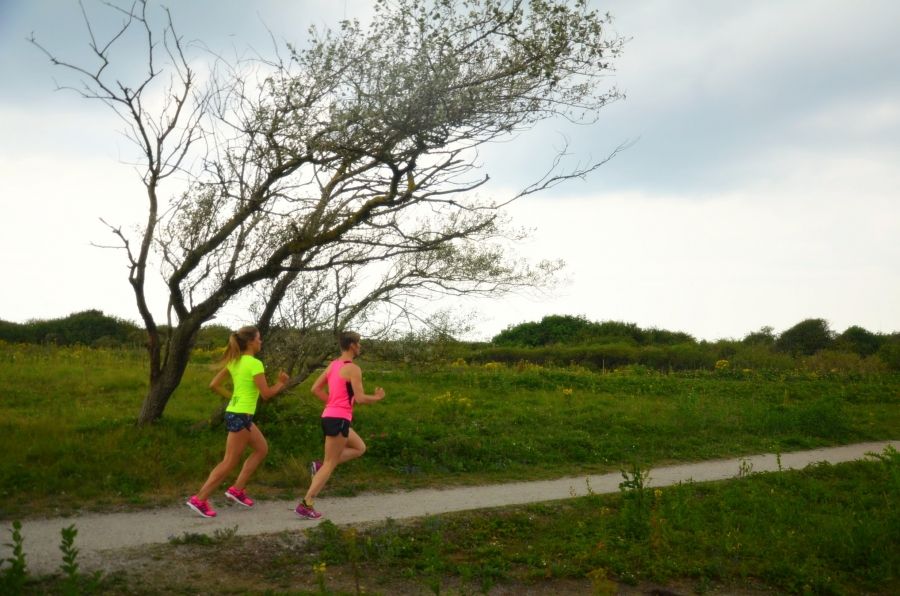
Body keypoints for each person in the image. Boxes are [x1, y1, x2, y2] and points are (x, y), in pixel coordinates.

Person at [186, 326, 289, 518]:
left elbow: (214, 385)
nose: (261, 341)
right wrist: (281, 383)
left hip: (239, 414)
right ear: (250, 342)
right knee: (229, 462)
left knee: (261, 449)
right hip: (240, 415)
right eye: (259, 338)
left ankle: (237, 489)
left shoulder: (235, 362)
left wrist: (232, 397)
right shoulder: (255, 364)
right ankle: (200, 499)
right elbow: (266, 394)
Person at [295, 331, 385, 519]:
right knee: (331, 463)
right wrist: (376, 397)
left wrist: (332, 403)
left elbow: (315, 389)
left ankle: (318, 466)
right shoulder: (353, 368)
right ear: (352, 345)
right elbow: (359, 398)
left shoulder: (333, 365)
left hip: (332, 416)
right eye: (359, 344)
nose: (360, 347)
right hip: (339, 419)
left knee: (360, 448)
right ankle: (306, 503)